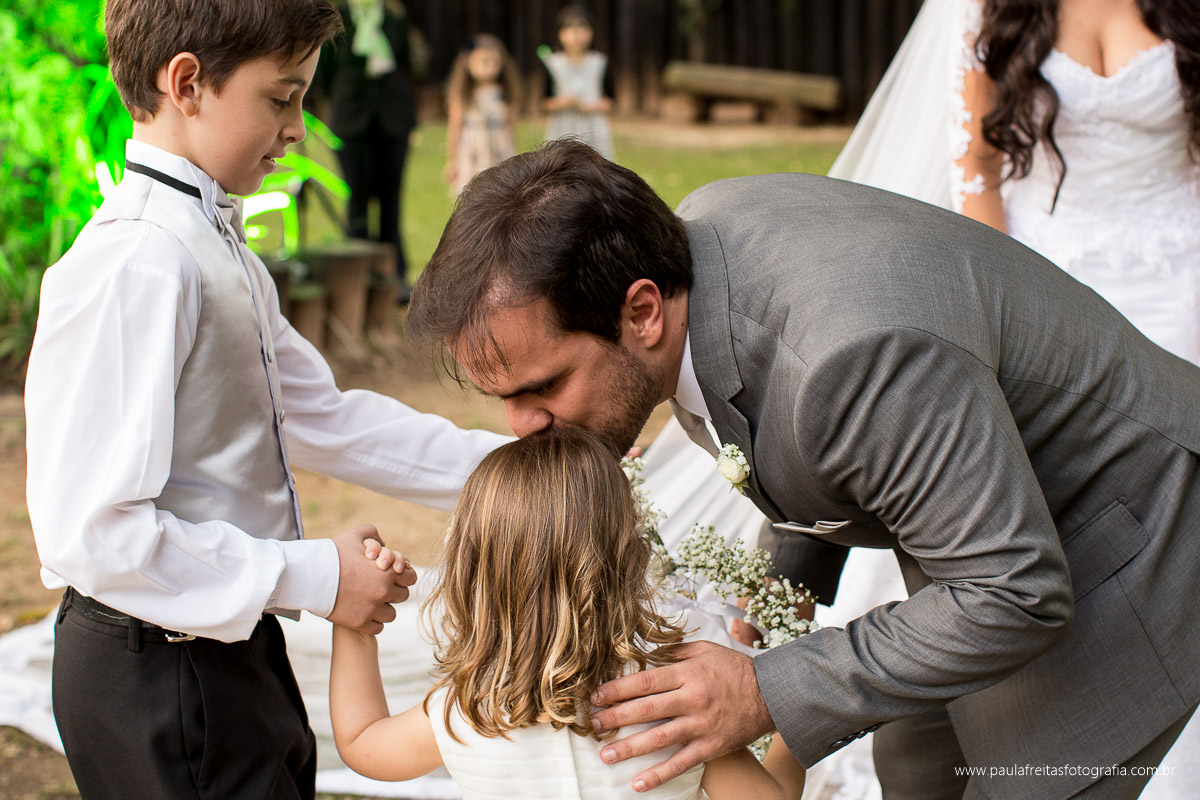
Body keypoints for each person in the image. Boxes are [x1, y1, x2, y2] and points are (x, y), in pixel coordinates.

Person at [406, 139, 1200, 800]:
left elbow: (1015, 588)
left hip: (1133, 532)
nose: (521, 426)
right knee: (918, 770)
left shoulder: (849, 354)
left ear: (641, 312)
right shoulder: (691, 262)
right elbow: (801, 431)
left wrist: (763, 689)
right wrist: (782, 594)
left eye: (542, 387)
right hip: (990, 540)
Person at [23, 1, 508, 797]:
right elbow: (97, 535)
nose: (298, 129)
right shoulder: (137, 265)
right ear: (186, 83)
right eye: (282, 98)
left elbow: (325, 419)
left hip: (229, 640)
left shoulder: (219, 249)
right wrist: (317, 576)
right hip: (159, 668)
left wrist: (522, 465)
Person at [329, 428, 806, 799]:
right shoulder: (672, 703)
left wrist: (356, 619)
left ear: (474, 571)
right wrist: (790, 680)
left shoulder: (466, 711)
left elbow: (363, 742)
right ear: (628, 558)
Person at [314, 0, 418, 298]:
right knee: (357, 199)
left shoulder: (395, 17)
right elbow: (324, 72)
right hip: (351, 120)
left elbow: (409, 65)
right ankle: (357, 280)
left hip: (393, 120)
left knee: (391, 201)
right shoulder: (338, 18)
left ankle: (394, 278)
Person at [443, 34, 520, 198]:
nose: (489, 67)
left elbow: (511, 127)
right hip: (473, 152)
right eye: (484, 61)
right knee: (473, 194)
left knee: (502, 193)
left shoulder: (505, 94)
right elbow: (454, 128)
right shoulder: (463, 96)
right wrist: (452, 160)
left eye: (494, 62)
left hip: (500, 149)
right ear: (468, 63)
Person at [539, 4, 615, 160]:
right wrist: (563, 103)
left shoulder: (600, 62)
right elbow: (544, 102)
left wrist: (590, 107)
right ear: (560, 33)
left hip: (594, 125)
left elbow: (611, 101)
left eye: (582, 28)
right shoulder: (553, 64)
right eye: (570, 28)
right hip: (562, 126)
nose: (576, 34)